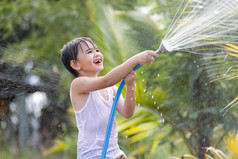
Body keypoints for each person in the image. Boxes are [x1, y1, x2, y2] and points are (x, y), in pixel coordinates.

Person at [61, 37, 158, 159]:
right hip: (92, 155)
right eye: (89, 52)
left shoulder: (111, 90)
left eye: (97, 50)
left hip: (115, 153)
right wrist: (136, 59)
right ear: (75, 64)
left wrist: (130, 85)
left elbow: (127, 113)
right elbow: (107, 80)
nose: (96, 54)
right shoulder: (78, 85)